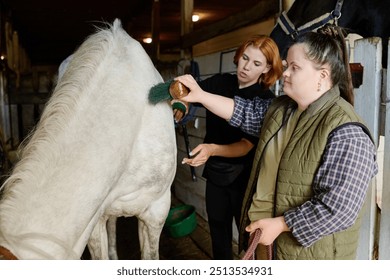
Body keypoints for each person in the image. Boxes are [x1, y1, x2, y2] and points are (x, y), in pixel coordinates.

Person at [175, 24, 378, 260]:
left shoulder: (347, 131)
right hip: (265, 241)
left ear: (322, 76)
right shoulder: (283, 110)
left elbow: (339, 209)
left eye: (294, 68)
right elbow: (243, 112)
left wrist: (281, 225)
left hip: (305, 255)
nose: (285, 74)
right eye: (286, 66)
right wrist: (199, 95)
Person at [177, 35, 283, 259]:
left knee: (247, 233)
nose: (246, 66)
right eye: (245, 58)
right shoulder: (220, 83)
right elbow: (189, 93)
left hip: (244, 177)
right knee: (217, 228)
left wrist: (211, 149)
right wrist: (181, 103)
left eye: (256, 63)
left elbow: (245, 146)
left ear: (266, 69)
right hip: (216, 172)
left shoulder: (264, 99)